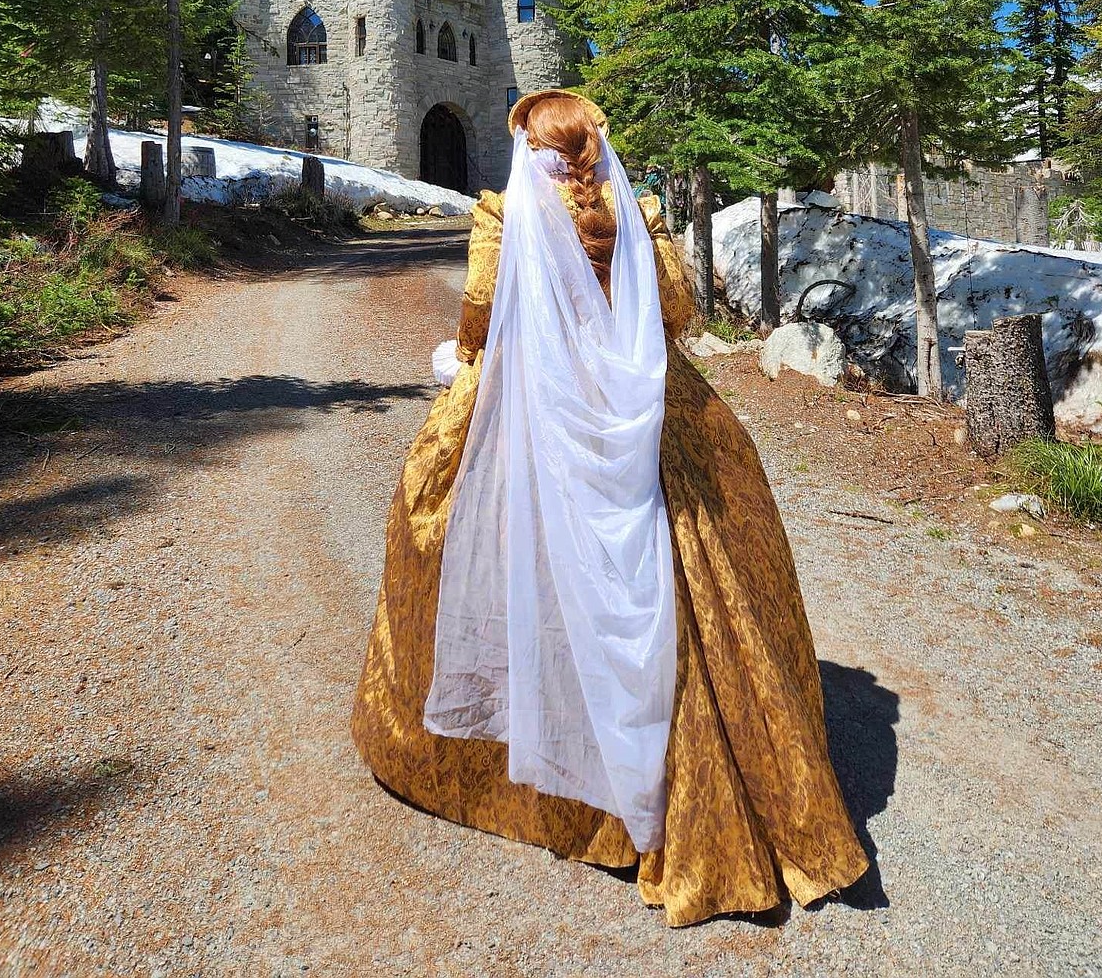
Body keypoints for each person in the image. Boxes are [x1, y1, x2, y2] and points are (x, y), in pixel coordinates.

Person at [352, 89, 868, 927]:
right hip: (648, 416)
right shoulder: (642, 211)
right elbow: (675, 312)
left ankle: (549, 775)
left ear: (530, 148)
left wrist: (466, 364)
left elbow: (482, 322)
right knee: (698, 573)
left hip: (536, 412)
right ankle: (691, 783)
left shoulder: (500, 214)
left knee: (472, 542)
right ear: (595, 150)